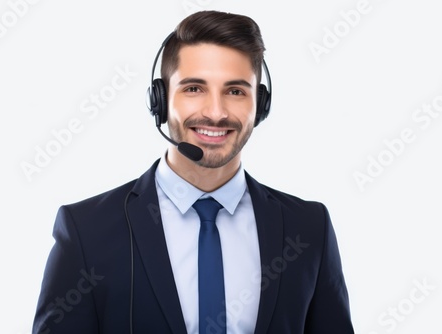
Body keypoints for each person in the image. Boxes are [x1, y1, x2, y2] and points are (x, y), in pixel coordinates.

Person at [33, 10, 354, 334]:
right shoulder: (87, 230)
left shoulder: (309, 228)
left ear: (261, 104)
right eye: (194, 89)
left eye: (235, 91)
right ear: (159, 100)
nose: (216, 112)